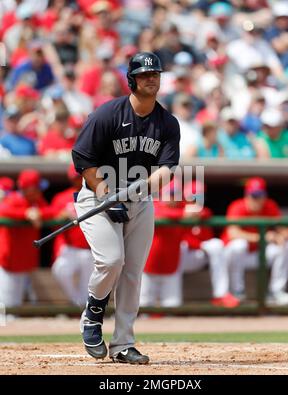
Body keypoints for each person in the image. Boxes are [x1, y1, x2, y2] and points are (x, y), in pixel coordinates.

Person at [72, 52, 180, 364]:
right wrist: (108, 193)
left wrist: (138, 190)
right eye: (145, 74)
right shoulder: (107, 114)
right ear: (131, 79)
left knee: (132, 272)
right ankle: (93, 312)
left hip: (138, 199)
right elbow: (83, 158)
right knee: (111, 260)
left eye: (155, 73)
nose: (151, 78)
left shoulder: (167, 122)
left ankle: (123, 345)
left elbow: (166, 169)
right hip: (96, 195)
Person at [222, 177, 288, 306]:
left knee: (287, 246)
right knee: (239, 245)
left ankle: (276, 292)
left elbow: (284, 230)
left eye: (259, 195)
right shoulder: (237, 206)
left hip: (257, 255)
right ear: (247, 195)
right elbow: (232, 233)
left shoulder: (270, 205)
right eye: (253, 195)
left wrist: (281, 236)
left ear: (264, 195)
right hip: (235, 257)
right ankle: (236, 291)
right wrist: (262, 237)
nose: (256, 199)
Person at [180, 180, 240, 308]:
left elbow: (207, 230)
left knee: (216, 244)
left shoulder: (205, 213)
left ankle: (221, 295)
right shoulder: (179, 211)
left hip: (197, 256)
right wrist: (184, 214)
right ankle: (165, 302)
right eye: (193, 196)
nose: (196, 200)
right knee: (181, 247)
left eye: (199, 196)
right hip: (177, 260)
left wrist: (199, 215)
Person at [0, 169, 53, 307]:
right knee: (6, 306)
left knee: (16, 303)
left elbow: (52, 211)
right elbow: (2, 210)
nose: (40, 191)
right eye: (37, 188)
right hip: (8, 262)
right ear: (28, 189)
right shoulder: (14, 199)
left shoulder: (37, 202)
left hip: (24, 261)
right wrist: (25, 213)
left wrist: (38, 213)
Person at [51, 164, 94, 306]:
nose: (78, 180)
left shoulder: (96, 194)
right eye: (75, 177)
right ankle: (76, 303)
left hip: (91, 248)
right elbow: (50, 219)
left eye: (80, 177)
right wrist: (60, 216)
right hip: (71, 248)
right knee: (60, 270)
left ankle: (82, 310)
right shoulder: (61, 198)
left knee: (87, 286)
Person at [140, 179, 185, 308]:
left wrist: (182, 214)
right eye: (170, 193)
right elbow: (159, 213)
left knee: (172, 305)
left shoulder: (183, 206)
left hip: (171, 264)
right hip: (148, 263)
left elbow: (204, 212)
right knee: (144, 305)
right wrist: (182, 215)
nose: (173, 197)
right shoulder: (152, 204)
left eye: (176, 194)